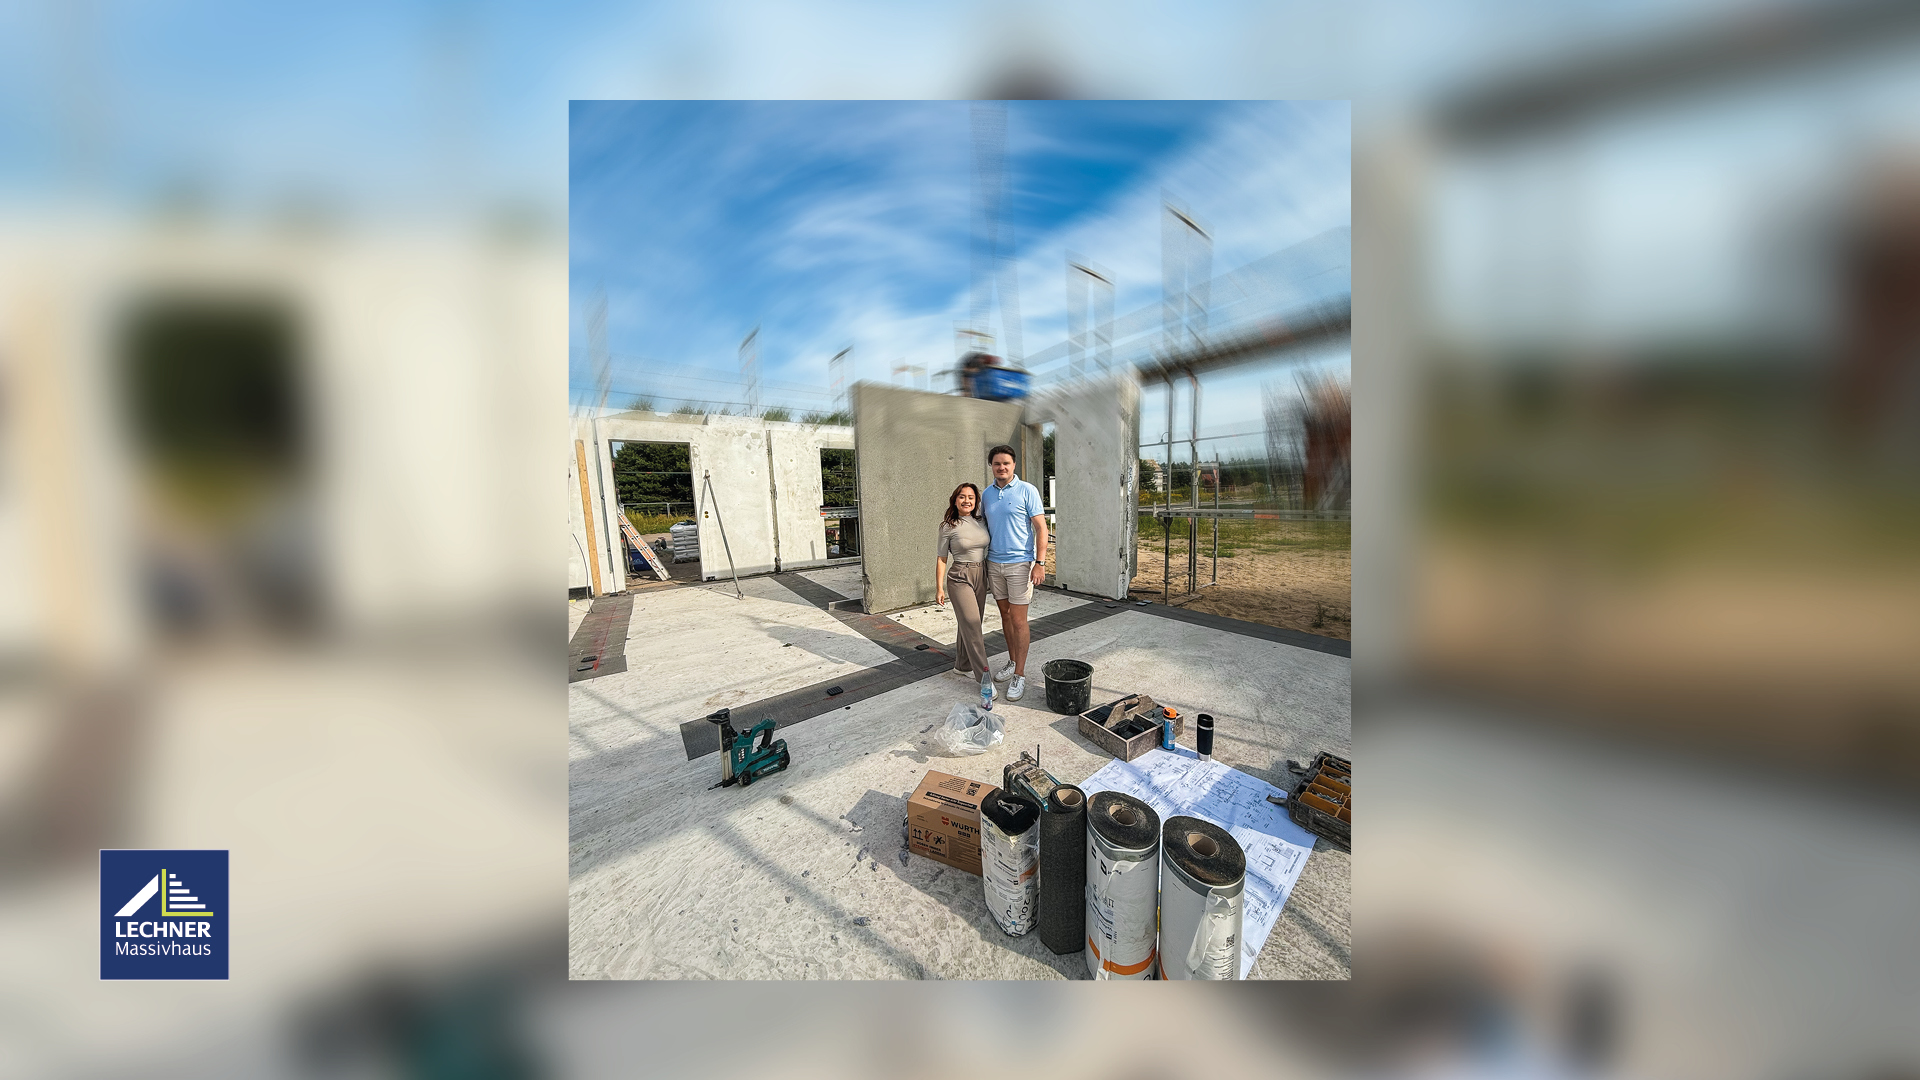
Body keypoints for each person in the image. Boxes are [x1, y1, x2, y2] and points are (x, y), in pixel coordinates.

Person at [980, 443, 1047, 702]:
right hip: (994, 564)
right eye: (997, 463)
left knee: (1019, 620)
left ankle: (1019, 674)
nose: (1001, 467)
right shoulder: (986, 495)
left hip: (1020, 564)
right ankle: (1011, 661)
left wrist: (1039, 563)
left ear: (1014, 465)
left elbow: (1041, 528)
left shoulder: (1027, 490)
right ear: (992, 466)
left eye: (1006, 463)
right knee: (1005, 617)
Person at [933, 483, 992, 687]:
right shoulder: (948, 525)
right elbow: (941, 558)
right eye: (962, 497)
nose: (967, 500)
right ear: (955, 499)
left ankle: (962, 666)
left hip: (981, 574)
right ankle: (984, 677)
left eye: (971, 497)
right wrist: (939, 588)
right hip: (960, 576)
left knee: (970, 623)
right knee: (973, 625)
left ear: (976, 501)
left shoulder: (980, 521)